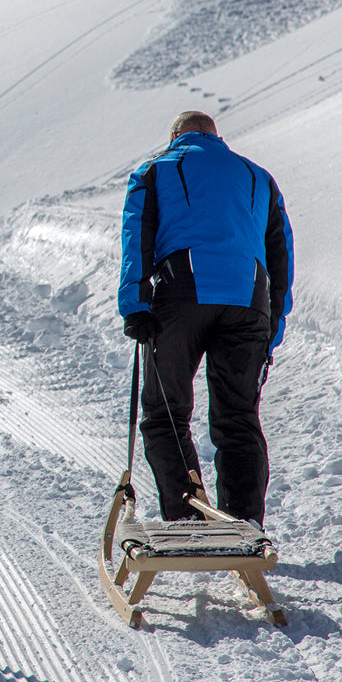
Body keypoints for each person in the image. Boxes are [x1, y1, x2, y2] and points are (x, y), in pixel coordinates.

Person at [118, 110, 293, 526]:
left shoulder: (154, 171)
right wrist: (272, 325)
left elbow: (136, 238)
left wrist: (136, 305)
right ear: (217, 136)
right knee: (238, 416)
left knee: (164, 413)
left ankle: (188, 519)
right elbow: (281, 255)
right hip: (249, 301)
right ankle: (244, 524)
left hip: (183, 293)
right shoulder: (259, 177)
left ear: (175, 135)